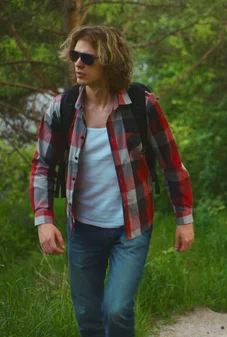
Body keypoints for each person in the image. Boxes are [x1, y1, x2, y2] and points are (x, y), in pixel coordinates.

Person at [29, 25, 195, 337]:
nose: (77, 63)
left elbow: (172, 163)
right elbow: (42, 166)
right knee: (87, 317)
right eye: (75, 55)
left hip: (131, 228)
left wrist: (184, 219)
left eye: (87, 57)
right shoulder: (62, 108)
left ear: (109, 61)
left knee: (117, 309)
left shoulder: (141, 105)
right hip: (82, 230)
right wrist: (44, 220)